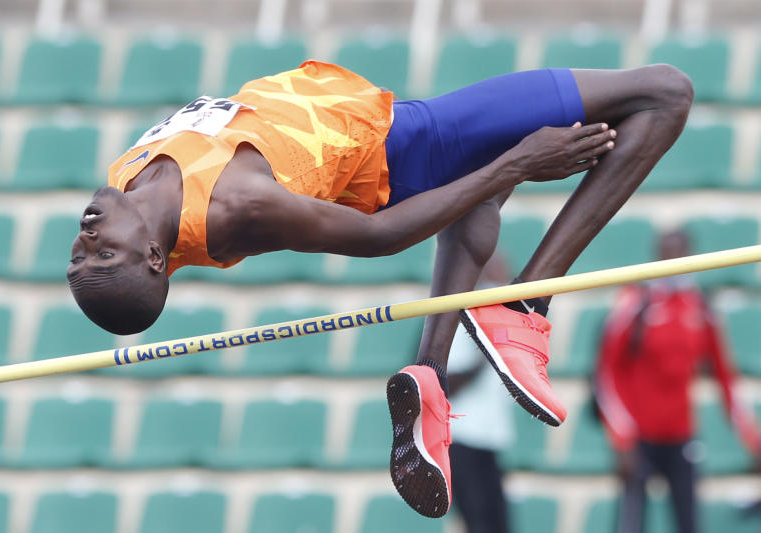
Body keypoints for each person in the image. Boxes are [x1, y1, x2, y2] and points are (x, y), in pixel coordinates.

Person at [66, 59, 694, 517]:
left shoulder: (129, 176)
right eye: (104, 251)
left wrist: (502, 170)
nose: (88, 234)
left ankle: (431, 374)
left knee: (481, 194)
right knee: (665, 93)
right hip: (405, 143)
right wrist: (523, 162)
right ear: (154, 256)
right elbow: (384, 236)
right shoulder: (235, 206)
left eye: (81, 251)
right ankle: (527, 301)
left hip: (381, 129)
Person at [594, 229, 761, 533]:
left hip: (682, 436)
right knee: (630, 525)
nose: (674, 261)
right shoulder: (635, 302)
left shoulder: (701, 307)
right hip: (638, 440)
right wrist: (622, 440)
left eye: (680, 254)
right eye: (667, 254)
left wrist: (754, 442)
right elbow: (606, 373)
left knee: (689, 523)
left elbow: (726, 379)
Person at [447, 253, 515, 533]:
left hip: (488, 437)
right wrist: (487, 352)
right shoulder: (460, 314)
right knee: (480, 523)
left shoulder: (499, 314)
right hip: (462, 435)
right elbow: (443, 381)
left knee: (497, 524)